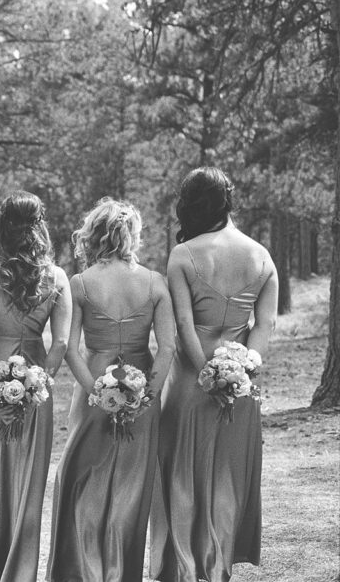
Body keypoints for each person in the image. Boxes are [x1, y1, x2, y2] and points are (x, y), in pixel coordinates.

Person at [150, 167, 278, 582]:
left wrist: (208, 373)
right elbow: (265, 326)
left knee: (182, 472)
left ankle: (182, 568)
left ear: (189, 204)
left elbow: (185, 325)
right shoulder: (261, 255)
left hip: (190, 381)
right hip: (242, 386)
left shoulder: (184, 255)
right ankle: (217, 565)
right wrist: (240, 371)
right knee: (227, 475)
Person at [48, 198, 174, 582]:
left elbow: (69, 348)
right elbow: (167, 347)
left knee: (82, 476)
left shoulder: (81, 283)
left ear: (94, 235)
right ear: (131, 235)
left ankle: (82, 570)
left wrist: (98, 394)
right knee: (132, 484)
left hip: (94, 385)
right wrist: (146, 395)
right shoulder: (154, 282)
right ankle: (121, 571)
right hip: (142, 385)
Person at [0, 192, 71, 582]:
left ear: (2, 227)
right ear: (41, 228)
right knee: (26, 485)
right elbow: (61, 344)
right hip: (37, 385)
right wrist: (37, 384)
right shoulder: (57, 277)